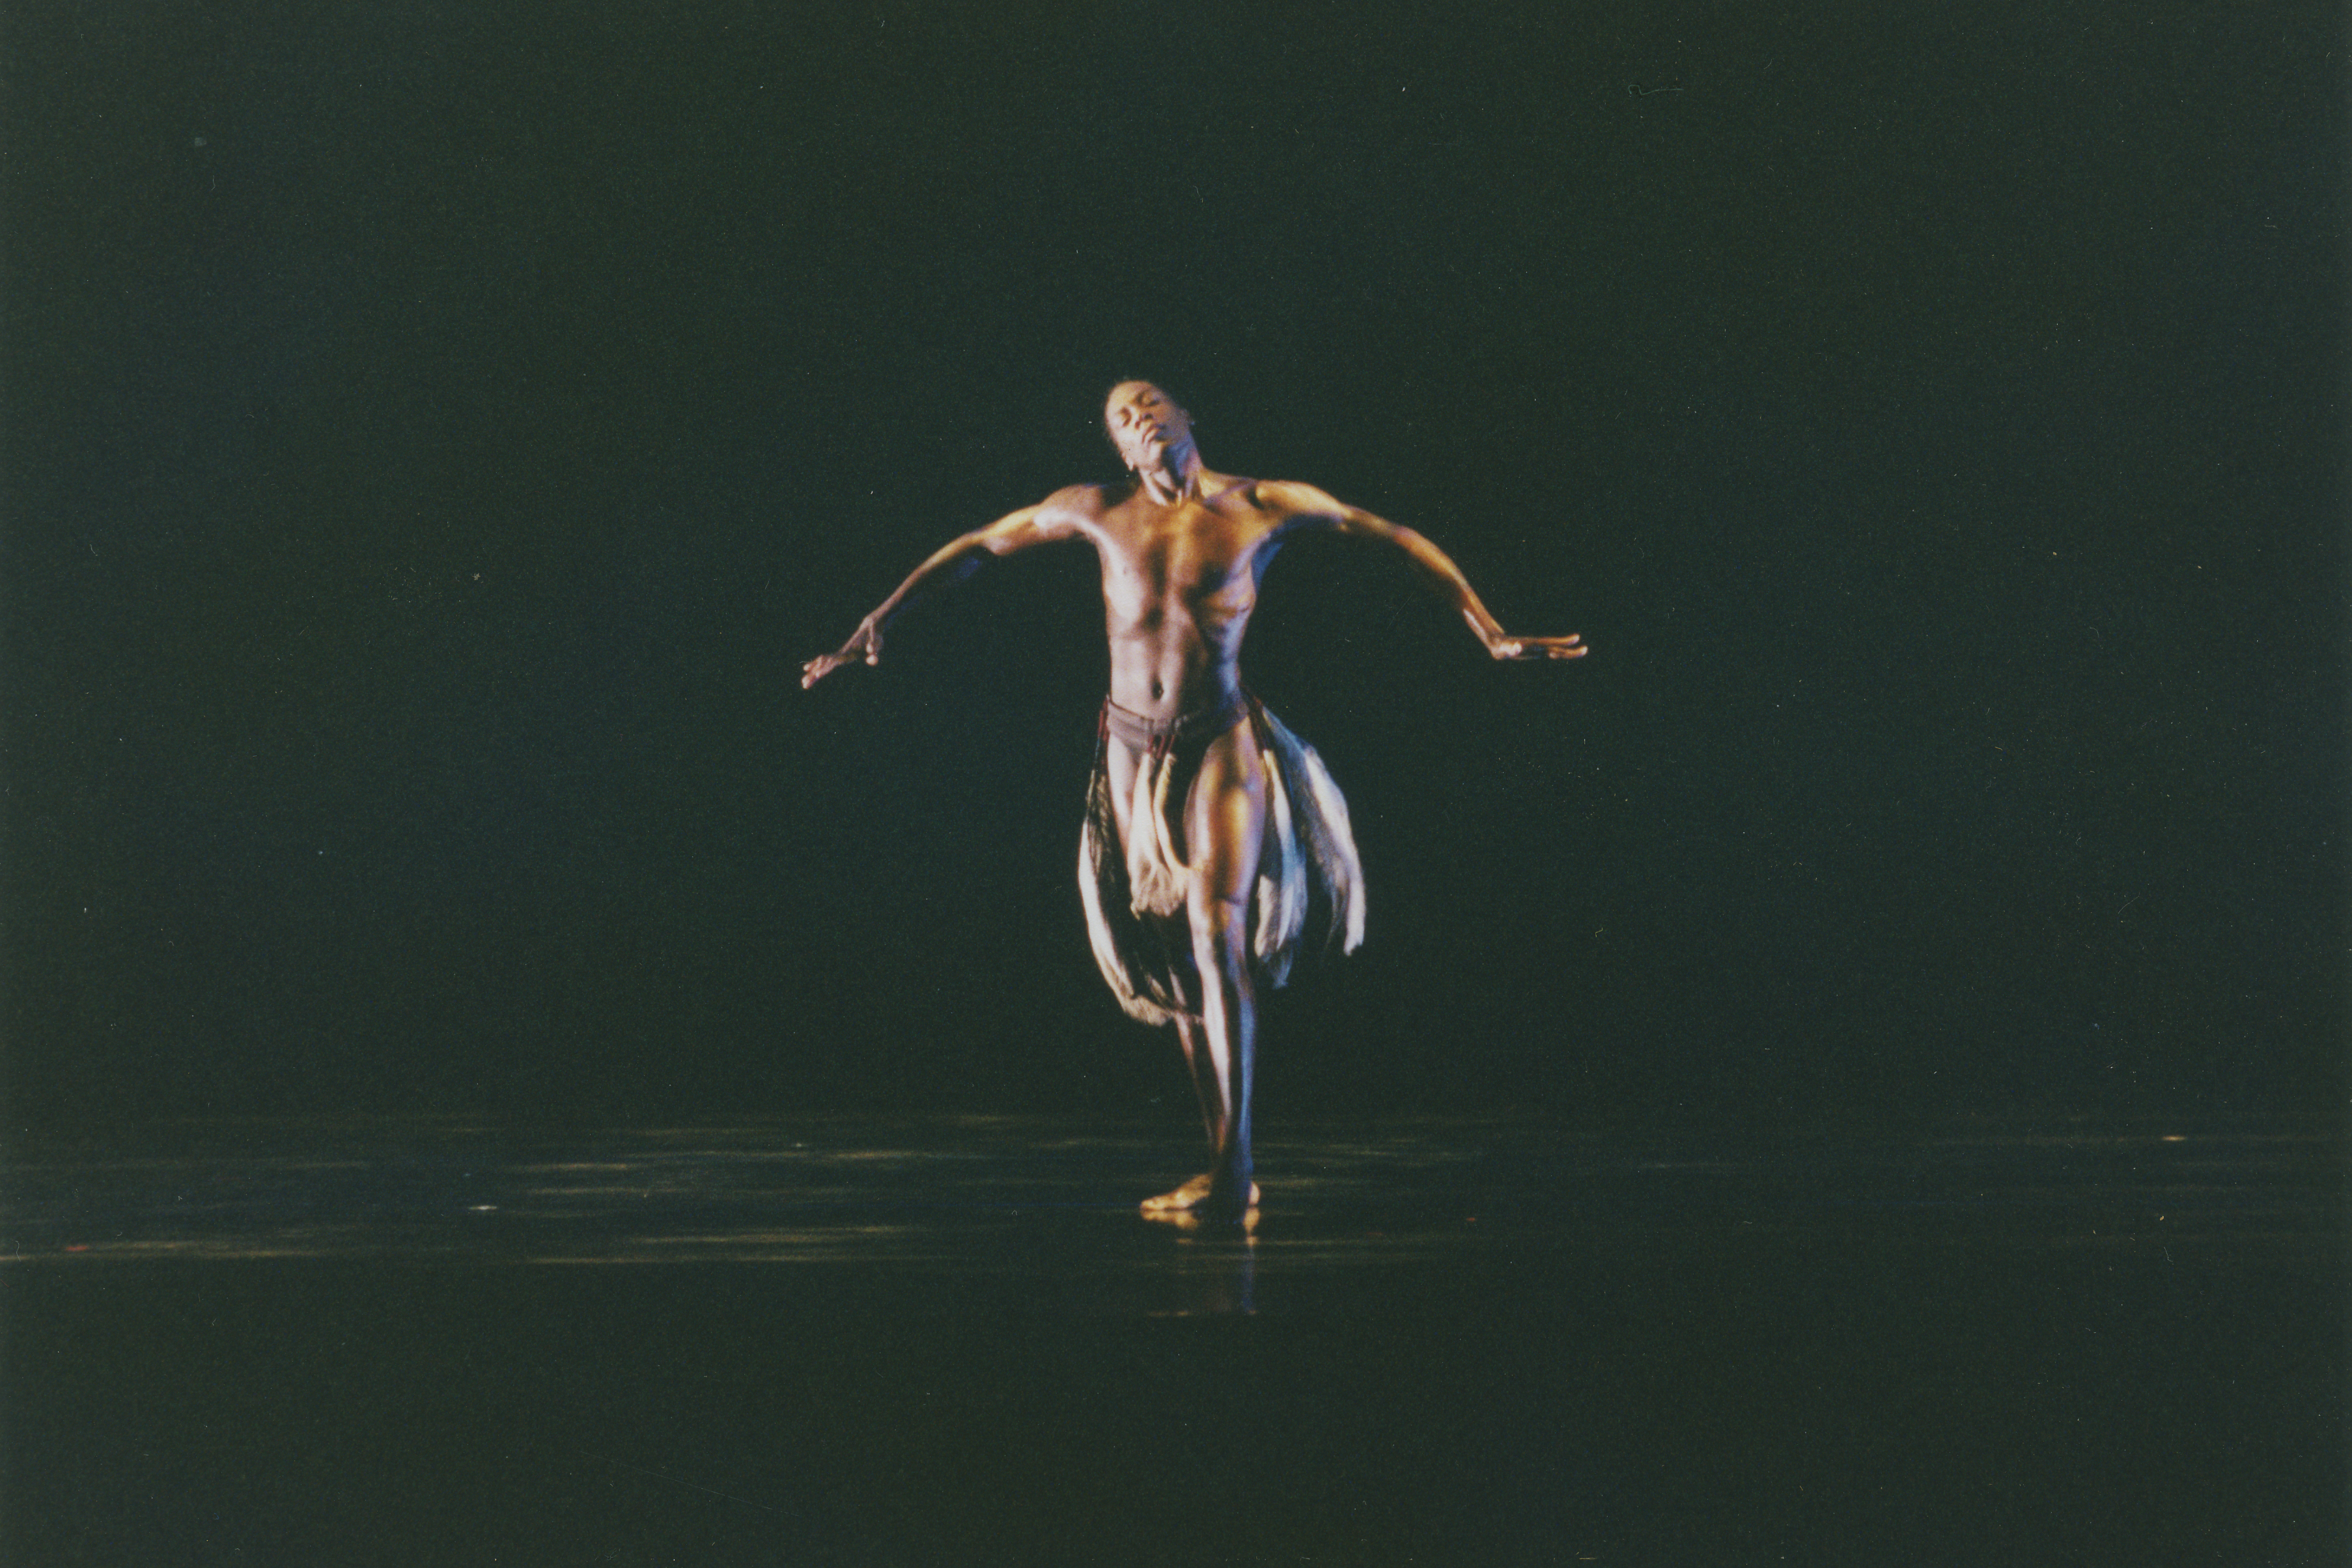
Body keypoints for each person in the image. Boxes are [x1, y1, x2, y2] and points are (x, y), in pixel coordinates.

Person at [804, 382, 1584, 1220]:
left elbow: (1387, 535)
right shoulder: (1098, 512)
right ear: (1120, 450)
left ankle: (1239, 1168)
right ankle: (1221, 1165)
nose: (1137, 420)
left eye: (1147, 405)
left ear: (1186, 417)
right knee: (1176, 962)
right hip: (1131, 748)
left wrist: (1486, 625)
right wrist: (878, 620)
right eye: (1120, 420)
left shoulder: (1262, 505)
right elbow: (979, 545)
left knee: (1218, 932)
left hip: (1219, 736)